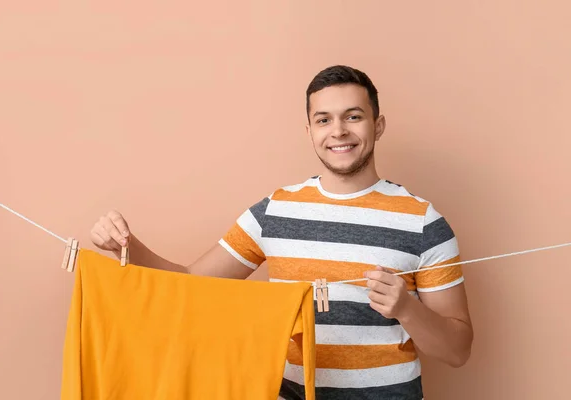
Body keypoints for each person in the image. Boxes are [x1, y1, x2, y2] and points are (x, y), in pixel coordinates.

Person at [90, 65, 474, 399]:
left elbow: (458, 350)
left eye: (353, 116)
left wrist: (407, 310)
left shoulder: (423, 222)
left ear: (379, 124)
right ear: (309, 130)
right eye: (324, 119)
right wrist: (126, 246)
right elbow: (192, 284)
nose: (338, 131)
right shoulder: (275, 210)